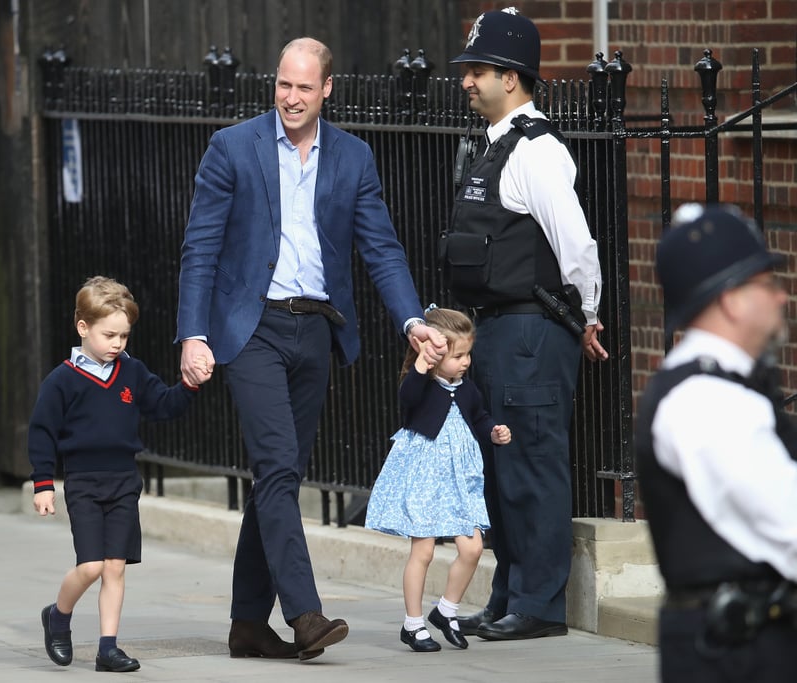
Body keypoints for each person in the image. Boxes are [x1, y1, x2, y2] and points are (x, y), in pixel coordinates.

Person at [176, 36, 447, 661]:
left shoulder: (352, 157)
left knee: (281, 474)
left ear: (327, 89)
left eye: (304, 87)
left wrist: (411, 321)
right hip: (251, 330)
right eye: (283, 85)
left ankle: (247, 624)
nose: (291, 98)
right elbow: (200, 249)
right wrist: (193, 334)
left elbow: (381, 248)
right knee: (276, 468)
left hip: (317, 330)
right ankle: (304, 613)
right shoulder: (232, 148)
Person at [440, 7, 609, 641]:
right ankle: (511, 594)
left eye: (477, 71)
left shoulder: (536, 151)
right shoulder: (492, 146)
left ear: (512, 78)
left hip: (533, 331)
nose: (466, 82)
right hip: (499, 331)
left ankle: (539, 606)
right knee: (503, 468)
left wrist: (587, 314)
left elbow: (577, 246)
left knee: (533, 464)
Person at [636, 204, 797, 682]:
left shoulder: (727, 390)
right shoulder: (707, 401)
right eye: (768, 284)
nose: (782, 297)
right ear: (731, 299)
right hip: (741, 656)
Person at [30, 276, 206, 673]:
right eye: (109, 334)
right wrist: (43, 484)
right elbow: (42, 433)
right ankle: (58, 615)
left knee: (115, 566)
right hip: (84, 482)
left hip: (124, 481)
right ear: (83, 328)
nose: (117, 344)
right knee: (91, 566)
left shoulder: (132, 371)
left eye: (124, 336)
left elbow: (162, 405)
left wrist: (190, 385)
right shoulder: (62, 380)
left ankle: (107, 647)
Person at [365, 306, 511, 652]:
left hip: (460, 479)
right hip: (426, 477)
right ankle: (413, 624)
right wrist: (420, 365)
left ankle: (446, 610)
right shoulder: (421, 384)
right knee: (424, 551)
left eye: (468, 354)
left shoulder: (467, 389)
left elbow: (480, 418)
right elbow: (407, 399)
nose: (465, 362)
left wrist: (493, 432)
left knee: (473, 548)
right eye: (458, 355)